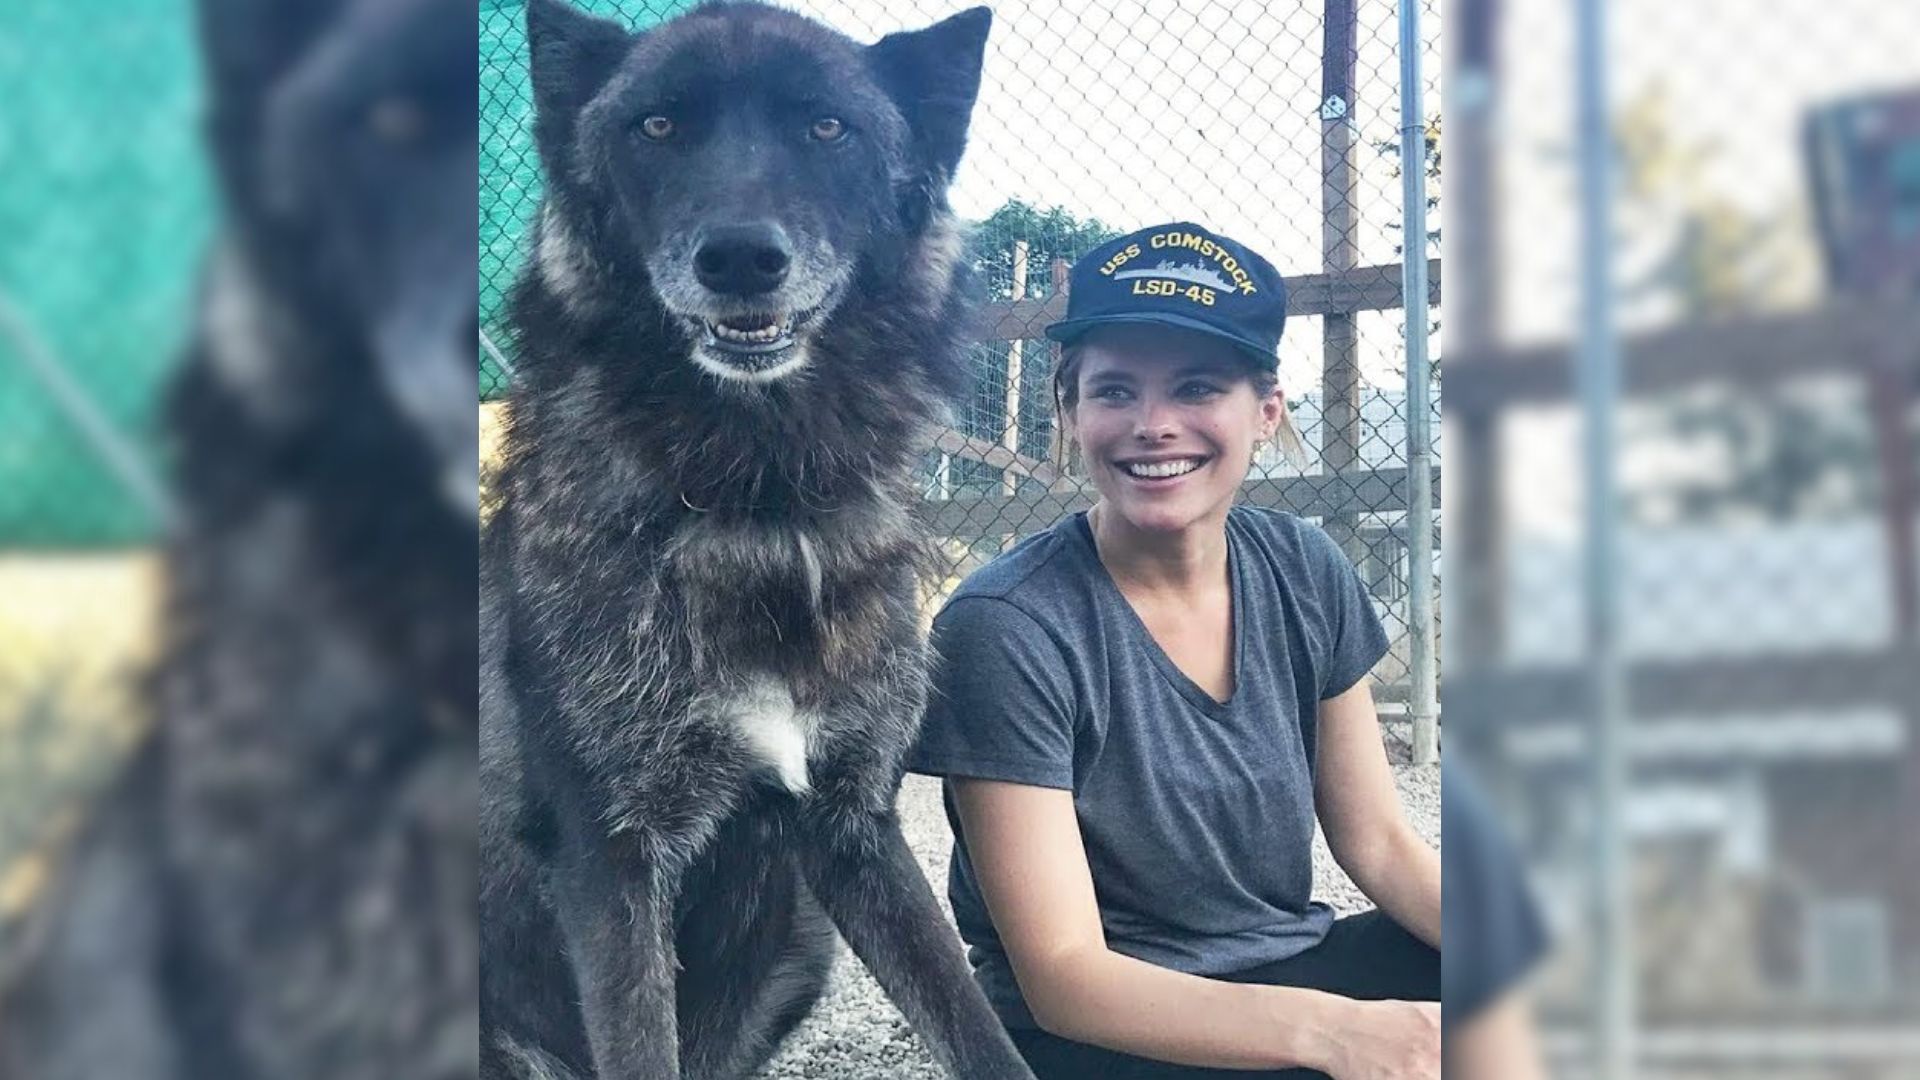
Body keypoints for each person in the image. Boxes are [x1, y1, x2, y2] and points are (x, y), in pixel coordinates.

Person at [909, 222, 1442, 1079]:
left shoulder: (1305, 570)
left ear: (1265, 411)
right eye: (1115, 391)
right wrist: (1340, 1035)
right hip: (1101, 1030)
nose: (1154, 425)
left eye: (1196, 388)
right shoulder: (1004, 626)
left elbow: (1379, 843)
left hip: (1279, 969)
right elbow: (1063, 976)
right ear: (1071, 412)